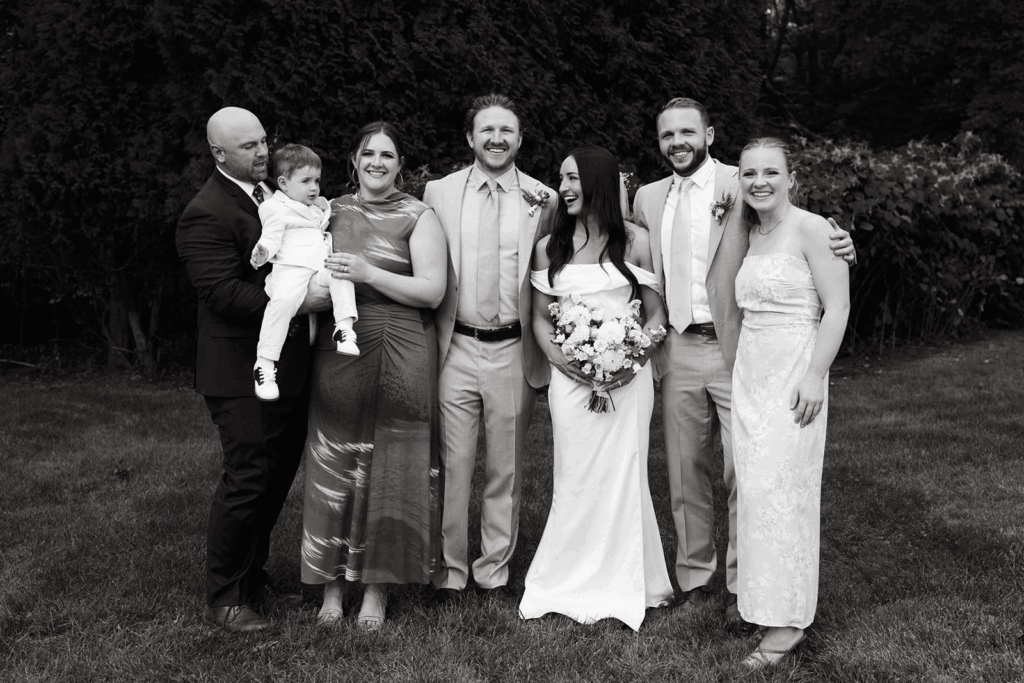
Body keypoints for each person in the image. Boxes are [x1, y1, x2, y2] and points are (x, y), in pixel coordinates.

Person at [631, 97, 855, 626]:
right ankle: (696, 578)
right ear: (659, 142)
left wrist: (843, 243)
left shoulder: (743, 179)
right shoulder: (645, 197)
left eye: (689, 131)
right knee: (686, 470)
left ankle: (742, 582)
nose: (678, 142)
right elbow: (616, 244)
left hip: (741, 349)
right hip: (678, 346)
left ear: (709, 135)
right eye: (668, 135)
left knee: (745, 472)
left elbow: (796, 232)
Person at [299, 121, 447, 631]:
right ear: (354, 161)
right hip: (340, 347)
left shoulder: (419, 215)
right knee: (335, 460)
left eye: (387, 154)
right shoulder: (329, 211)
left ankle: (376, 591)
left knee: (392, 464)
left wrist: (369, 274)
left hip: (401, 344)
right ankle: (332, 588)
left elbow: (431, 291)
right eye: (368, 153)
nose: (378, 162)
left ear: (400, 164)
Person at [519, 147, 674, 630]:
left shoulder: (637, 242)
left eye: (573, 179)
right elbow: (541, 320)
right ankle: (565, 577)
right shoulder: (550, 247)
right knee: (575, 474)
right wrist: (566, 361)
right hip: (571, 382)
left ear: (599, 183)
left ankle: (629, 580)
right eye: (560, 178)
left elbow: (656, 316)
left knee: (625, 473)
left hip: (629, 381)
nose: (563, 187)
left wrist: (631, 361)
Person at [176, 106, 308, 633]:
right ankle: (226, 596)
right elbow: (223, 293)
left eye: (263, 141)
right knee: (248, 477)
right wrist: (301, 302)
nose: (262, 152)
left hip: (286, 365)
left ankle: (254, 575)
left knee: (275, 478)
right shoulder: (205, 212)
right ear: (217, 153)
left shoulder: (275, 196)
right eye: (249, 146)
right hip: (236, 369)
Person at [422, 94, 558, 601]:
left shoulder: (543, 199)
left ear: (520, 139)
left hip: (513, 348)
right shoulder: (438, 192)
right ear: (470, 138)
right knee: (454, 463)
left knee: (507, 466)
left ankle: (493, 569)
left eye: (507, 130)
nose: (496, 138)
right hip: (455, 345)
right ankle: (451, 571)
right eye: (487, 130)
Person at [731, 137, 849, 667]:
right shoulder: (750, 232)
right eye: (749, 172)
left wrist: (815, 375)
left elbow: (838, 305)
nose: (759, 181)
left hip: (794, 373)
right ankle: (763, 603)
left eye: (770, 172)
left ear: (791, 176)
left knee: (786, 493)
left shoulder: (814, 228)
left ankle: (786, 625)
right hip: (751, 375)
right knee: (756, 492)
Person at [250, 143, 359, 402]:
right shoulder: (274, 208)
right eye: (306, 181)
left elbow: (321, 218)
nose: (313, 187)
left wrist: (323, 206)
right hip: (290, 270)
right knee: (282, 305)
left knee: (340, 274)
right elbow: (271, 236)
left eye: (317, 181)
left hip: (317, 267)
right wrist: (263, 251)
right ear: (284, 184)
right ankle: (264, 363)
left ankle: (344, 327)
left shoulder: (313, 207)